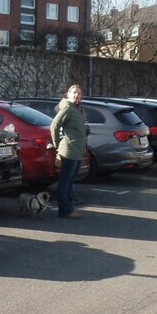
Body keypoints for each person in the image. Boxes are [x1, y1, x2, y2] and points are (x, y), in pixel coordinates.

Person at [49, 84, 87, 219]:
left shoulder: (78, 108)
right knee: (65, 182)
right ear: (68, 94)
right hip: (69, 150)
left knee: (71, 181)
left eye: (79, 93)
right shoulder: (67, 108)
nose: (77, 95)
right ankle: (64, 211)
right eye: (74, 93)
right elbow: (54, 125)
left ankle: (69, 208)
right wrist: (57, 145)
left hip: (78, 150)